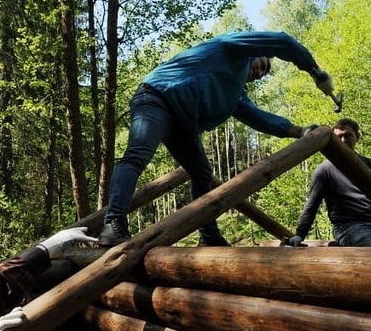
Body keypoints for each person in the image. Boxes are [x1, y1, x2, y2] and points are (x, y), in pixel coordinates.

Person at [98, 30, 335, 247]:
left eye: (263, 73)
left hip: (183, 124)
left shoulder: (234, 96)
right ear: (252, 54)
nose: (260, 72)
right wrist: (315, 72)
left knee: (202, 173)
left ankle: (208, 235)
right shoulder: (231, 48)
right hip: (157, 97)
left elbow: (259, 118)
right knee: (137, 155)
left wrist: (300, 130)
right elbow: (282, 41)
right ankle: (113, 223)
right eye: (261, 64)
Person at [286, 118, 371, 247]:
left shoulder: (369, 164)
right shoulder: (324, 170)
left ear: (357, 137)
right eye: (339, 137)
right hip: (348, 227)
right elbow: (312, 205)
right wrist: (299, 235)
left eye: (348, 135)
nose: (343, 141)